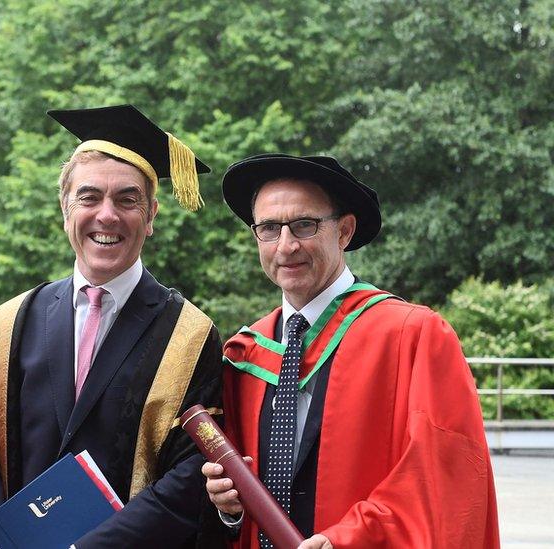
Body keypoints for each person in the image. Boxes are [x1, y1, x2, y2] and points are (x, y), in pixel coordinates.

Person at [206, 153, 500, 548]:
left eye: (304, 225)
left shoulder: (411, 336)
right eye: (269, 228)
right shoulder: (245, 354)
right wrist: (230, 509)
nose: (286, 245)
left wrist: (348, 539)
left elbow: (442, 480)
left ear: (344, 231)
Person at [0, 105, 225, 548]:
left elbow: (191, 477)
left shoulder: (190, 334)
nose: (107, 215)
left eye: (127, 199)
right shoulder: (10, 322)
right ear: (65, 207)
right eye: (89, 197)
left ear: (152, 215)